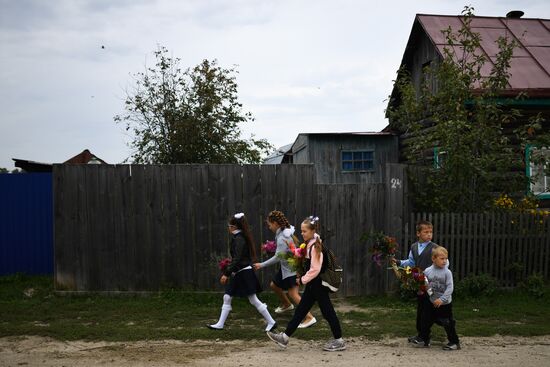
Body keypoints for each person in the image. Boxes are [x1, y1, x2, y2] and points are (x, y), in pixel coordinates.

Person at [267, 216, 345, 352]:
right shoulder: (310, 243)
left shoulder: (315, 246)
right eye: (301, 231)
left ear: (313, 231)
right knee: (301, 311)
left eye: (304, 231)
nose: (302, 234)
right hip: (313, 284)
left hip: (318, 284)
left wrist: (302, 280)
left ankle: (339, 341)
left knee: (327, 312)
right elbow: (308, 263)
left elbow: (315, 269)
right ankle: (284, 337)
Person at [207, 213, 277, 331]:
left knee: (253, 299)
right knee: (227, 297)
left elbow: (237, 259)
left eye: (229, 226)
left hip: (244, 273)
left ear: (234, 227)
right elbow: (237, 259)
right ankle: (220, 324)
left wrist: (226, 273)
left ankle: (271, 322)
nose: (228, 228)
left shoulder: (239, 239)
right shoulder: (239, 237)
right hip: (240, 272)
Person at [254, 210, 316, 328]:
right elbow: (283, 251)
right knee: (274, 285)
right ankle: (287, 305)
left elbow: (278, 257)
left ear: (276, 224)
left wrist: (261, 265)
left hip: (291, 270)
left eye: (269, 224)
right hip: (286, 268)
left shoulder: (283, 237)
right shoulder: (283, 233)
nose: (269, 226)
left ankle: (309, 317)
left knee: (293, 294)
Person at [391, 220, 445, 342]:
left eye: (431, 232)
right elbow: (411, 262)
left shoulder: (435, 248)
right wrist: (399, 262)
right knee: (422, 309)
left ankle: (427, 333)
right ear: (418, 233)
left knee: (428, 309)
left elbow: (444, 262)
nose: (429, 234)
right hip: (419, 283)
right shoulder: (414, 247)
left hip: (432, 284)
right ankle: (422, 334)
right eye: (426, 232)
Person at [411, 246, 460, 350]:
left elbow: (450, 288)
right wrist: (421, 289)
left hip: (444, 303)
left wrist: (442, 300)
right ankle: (424, 340)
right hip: (431, 302)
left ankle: (454, 342)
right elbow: (425, 284)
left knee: (447, 322)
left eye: (446, 258)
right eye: (442, 259)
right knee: (425, 320)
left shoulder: (447, 272)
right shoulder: (428, 271)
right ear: (433, 259)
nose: (444, 261)